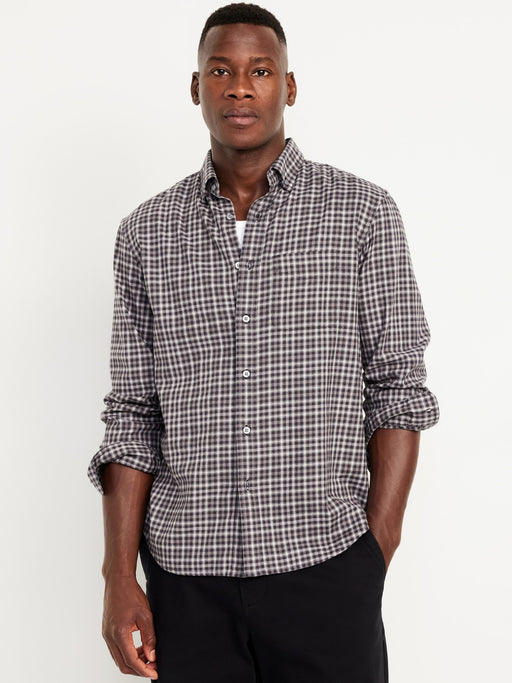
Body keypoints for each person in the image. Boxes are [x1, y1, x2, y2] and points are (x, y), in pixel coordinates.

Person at [88, 3, 439, 681]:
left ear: (290, 86)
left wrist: (375, 549)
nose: (240, 88)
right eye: (220, 71)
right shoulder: (146, 233)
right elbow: (132, 413)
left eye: (261, 71)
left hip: (327, 566)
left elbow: (398, 388)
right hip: (187, 579)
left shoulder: (361, 213)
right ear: (196, 88)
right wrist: (118, 578)